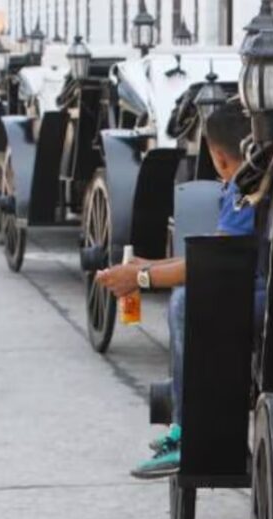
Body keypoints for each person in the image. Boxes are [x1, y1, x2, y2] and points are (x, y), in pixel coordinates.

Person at [95, 101, 258, 479]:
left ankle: (189, 430)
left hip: (259, 296)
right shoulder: (254, 182)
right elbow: (214, 255)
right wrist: (145, 268)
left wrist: (140, 279)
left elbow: (215, 267)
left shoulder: (243, 189)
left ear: (218, 157)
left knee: (187, 303)